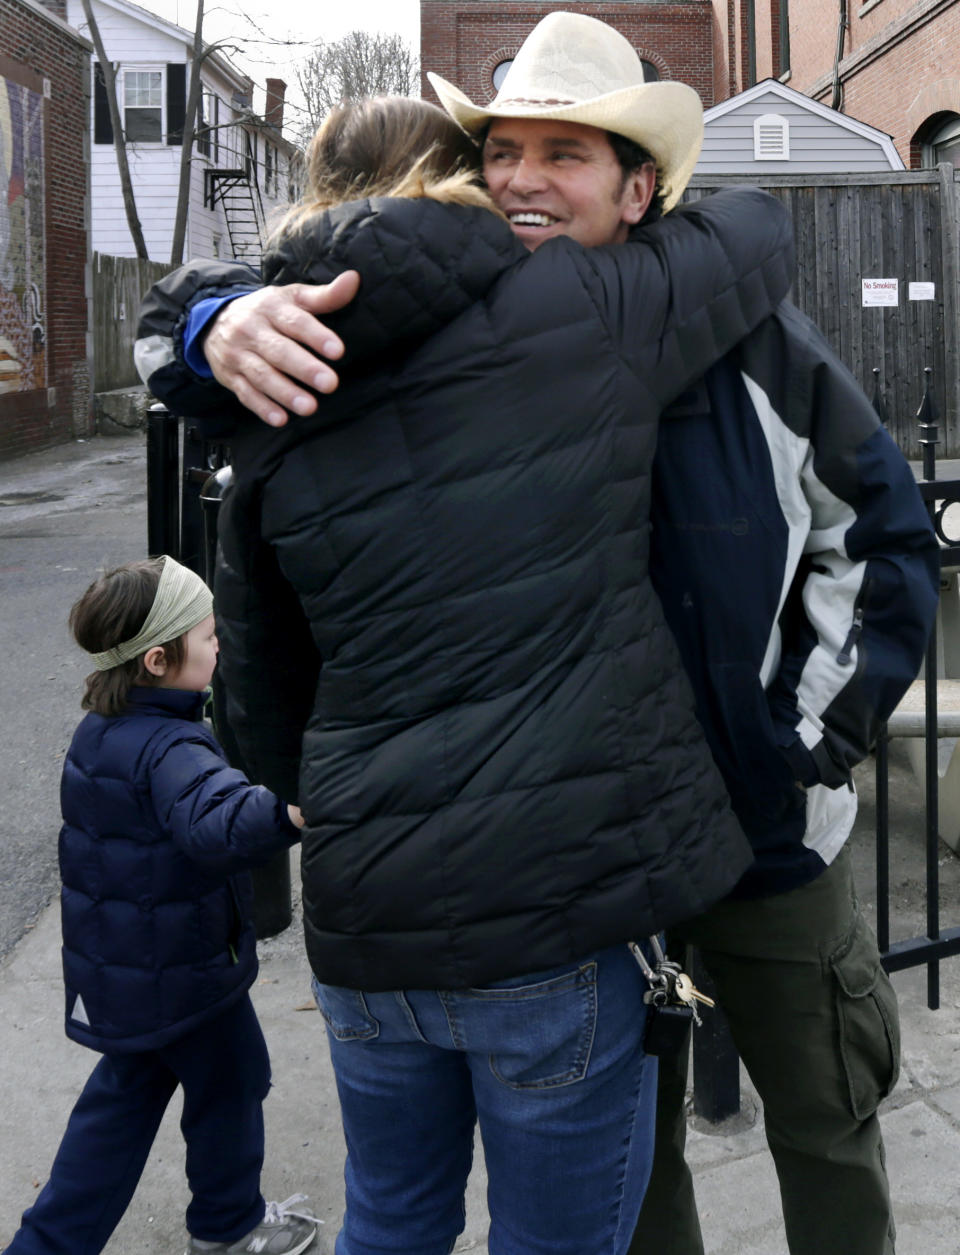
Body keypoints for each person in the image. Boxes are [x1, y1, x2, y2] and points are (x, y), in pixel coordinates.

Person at [135, 13, 941, 1254]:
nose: (519, 178)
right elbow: (322, 285)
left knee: (825, 1121)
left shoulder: (745, 339)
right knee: (636, 1159)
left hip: (763, 833)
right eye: (501, 149)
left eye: (565, 152)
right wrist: (211, 319)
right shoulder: (461, 332)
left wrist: (797, 744)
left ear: (640, 185)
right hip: (582, 866)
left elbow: (881, 543)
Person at [4, 556, 317, 1255]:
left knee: (122, 1102)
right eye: (208, 637)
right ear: (157, 658)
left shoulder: (102, 729)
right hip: (182, 975)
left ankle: (45, 1246)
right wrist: (291, 809)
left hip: (129, 969)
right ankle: (230, 1224)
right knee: (234, 1081)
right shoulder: (172, 744)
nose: (219, 646)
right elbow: (216, 817)